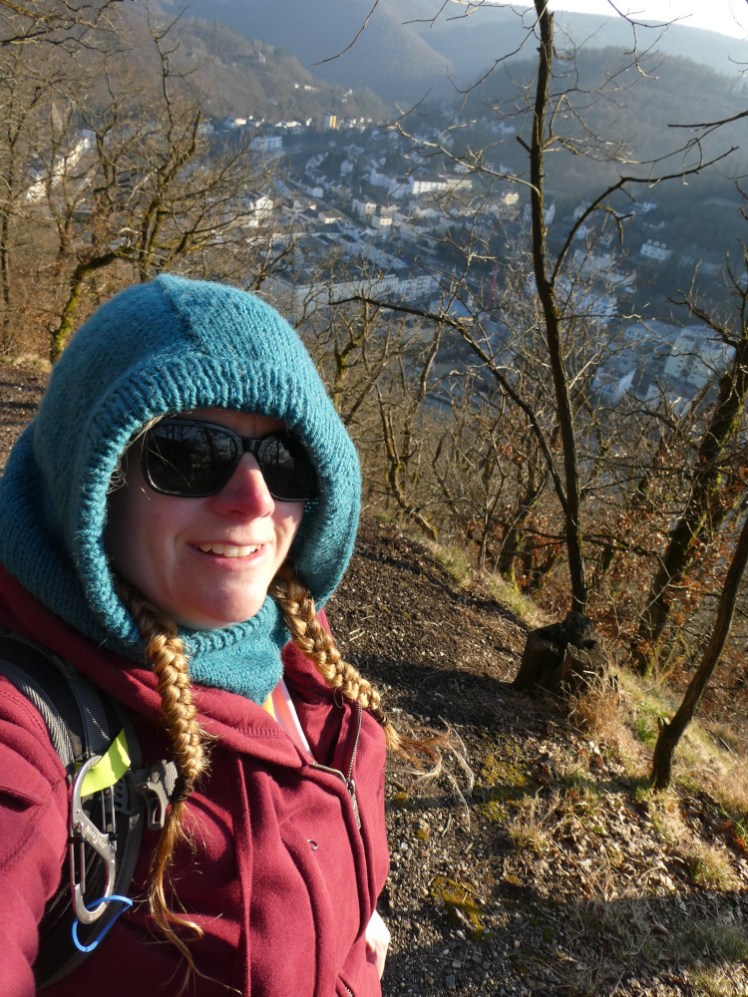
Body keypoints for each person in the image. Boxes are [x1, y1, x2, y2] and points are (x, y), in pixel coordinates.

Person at [0, 274, 401, 996]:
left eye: (287, 460)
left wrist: (351, 924)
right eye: (187, 452)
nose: (253, 500)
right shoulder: (27, 724)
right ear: (93, 479)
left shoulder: (289, 641)